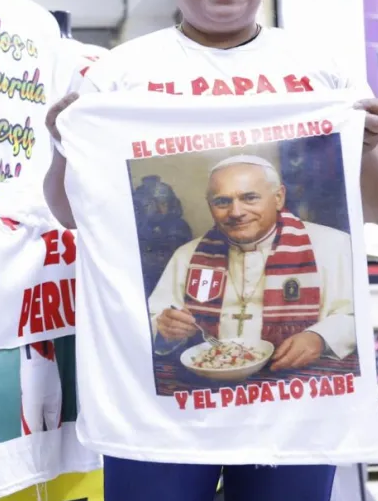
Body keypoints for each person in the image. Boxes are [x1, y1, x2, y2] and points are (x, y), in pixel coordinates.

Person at [42, 0, 378, 501]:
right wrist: (63, 144)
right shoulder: (120, 76)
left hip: (293, 413)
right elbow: (74, 214)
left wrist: (368, 142)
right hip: (157, 411)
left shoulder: (319, 72)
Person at [149, 155, 355, 373]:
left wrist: (320, 337)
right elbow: (154, 319)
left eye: (249, 198)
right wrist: (165, 329)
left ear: (278, 197)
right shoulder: (187, 255)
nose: (236, 212)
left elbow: (357, 314)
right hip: (213, 380)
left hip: (301, 381)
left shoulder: (334, 245)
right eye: (222, 201)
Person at [20, 340, 62, 435]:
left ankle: (55, 449)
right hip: (31, 376)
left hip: (50, 373)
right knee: (31, 433)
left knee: (56, 430)